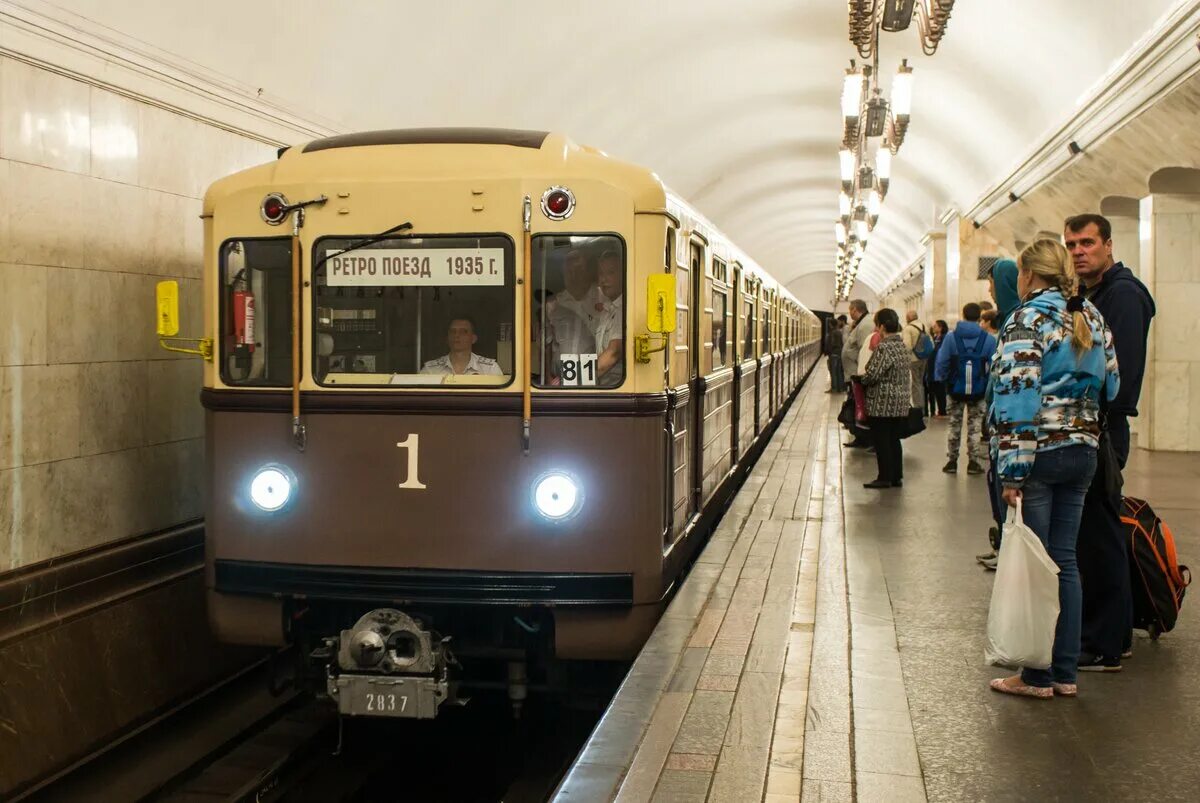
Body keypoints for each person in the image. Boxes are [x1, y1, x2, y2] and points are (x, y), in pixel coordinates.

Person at [987, 238, 1119, 699]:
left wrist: (1013, 471)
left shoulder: (1025, 319)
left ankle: (1037, 675)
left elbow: (1016, 398)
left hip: (1039, 452)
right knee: (1065, 562)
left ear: (1027, 275)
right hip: (1083, 451)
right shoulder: (1092, 316)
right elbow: (1114, 385)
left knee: (1038, 565)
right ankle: (1064, 673)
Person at [1065, 213, 1155, 670]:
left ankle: (1106, 643)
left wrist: (1097, 416)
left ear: (1108, 244)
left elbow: (1123, 375)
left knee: (1100, 536)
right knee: (1091, 534)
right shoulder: (1093, 294)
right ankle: (1105, 633)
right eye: (1072, 245)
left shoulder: (1123, 296)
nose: (1079, 251)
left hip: (1103, 429)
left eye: (1086, 243)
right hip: (1092, 426)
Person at [978, 258, 1024, 569]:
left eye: (993, 282)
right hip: (1000, 424)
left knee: (1005, 492)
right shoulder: (1007, 319)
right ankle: (1004, 549)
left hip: (1009, 429)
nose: (991, 289)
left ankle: (1010, 555)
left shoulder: (1018, 322)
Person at [935, 303, 996, 474]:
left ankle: (952, 462)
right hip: (979, 390)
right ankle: (973, 462)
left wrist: (943, 379)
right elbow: (994, 367)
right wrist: (989, 388)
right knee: (975, 426)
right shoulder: (989, 339)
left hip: (955, 388)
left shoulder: (950, 338)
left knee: (954, 424)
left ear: (962, 315)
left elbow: (942, 361)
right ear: (979, 317)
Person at [857, 308, 911, 489]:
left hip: (883, 403)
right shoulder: (902, 346)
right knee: (894, 441)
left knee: (882, 442)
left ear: (881, 326)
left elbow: (872, 374)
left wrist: (862, 380)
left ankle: (884, 477)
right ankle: (896, 476)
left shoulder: (884, 347)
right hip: (900, 403)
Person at [550, 247, 601, 356]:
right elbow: (546, 344)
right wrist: (548, 373)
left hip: (597, 369)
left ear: (588, 272)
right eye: (569, 271)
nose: (573, 276)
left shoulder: (603, 298)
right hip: (561, 371)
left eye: (578, 270)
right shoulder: (554, 304)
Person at [421, 317, 504, 376]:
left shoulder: (490, 369)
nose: (457, 335)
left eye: (463, 332)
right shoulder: (431, 370)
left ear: (473, 338)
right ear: (447, 338)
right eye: (453, 331)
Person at [840, 300, 872, 447]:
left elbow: (864, 350)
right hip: (853, 373)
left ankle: (863, 438)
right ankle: (859, 436)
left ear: (855, 309)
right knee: (856, 405)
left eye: (850, 310)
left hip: (857, 374)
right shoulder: (862, 323)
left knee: (859, 405)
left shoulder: (865, 324)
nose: (850, 313)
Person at [593, 249, 624, 385]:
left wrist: (581, 380)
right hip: (603, 387)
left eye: (610, 273)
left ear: (623, 275)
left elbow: (614, 352)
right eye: (601, 274)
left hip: (616, 390)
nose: (604, 280)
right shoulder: (606, 310)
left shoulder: (624, 309)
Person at [900, 310, 929, 412]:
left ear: (908, 318)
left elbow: (907, 346)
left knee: (916, 383)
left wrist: (904, 359)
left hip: (914, 359)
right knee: (920, 382)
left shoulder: (908, 329)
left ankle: (918, 408)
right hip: (924, 358)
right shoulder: (924, 327)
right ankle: (923, 407)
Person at [925, 320, 949, 417]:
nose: (933, 328)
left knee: (940, 391)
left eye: (935, 326)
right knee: (932, 389)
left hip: (939, 368)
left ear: (941, 327)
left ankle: (942, 410)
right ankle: (933, 410)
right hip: (932, 367)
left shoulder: (945, 338)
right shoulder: (934, 338)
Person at [826, 317, 846, 392]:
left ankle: (834, 388)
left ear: (831, 324)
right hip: (839, 353)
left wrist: (829, 352)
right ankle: (840, 388)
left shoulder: (833, 332)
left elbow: (832, 344)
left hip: (834, 354)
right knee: (839, 372)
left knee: (833, 372)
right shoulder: (839, 332)